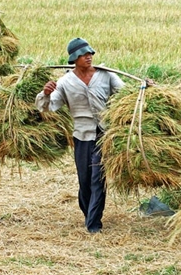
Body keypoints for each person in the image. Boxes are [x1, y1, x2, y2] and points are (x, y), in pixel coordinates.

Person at [35, 38, 125, 233]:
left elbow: (126, 94)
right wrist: (46, 93)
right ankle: (88, 214)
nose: (89, 57)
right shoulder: (65, 82)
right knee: (84, 180)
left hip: (104, 133)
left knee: (97, 178)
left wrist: (146, 87)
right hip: (82, 135)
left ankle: (94, 224)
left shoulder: (106, 75)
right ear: (74, 58)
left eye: (90, 53)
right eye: (84, 54)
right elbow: (49, 106)